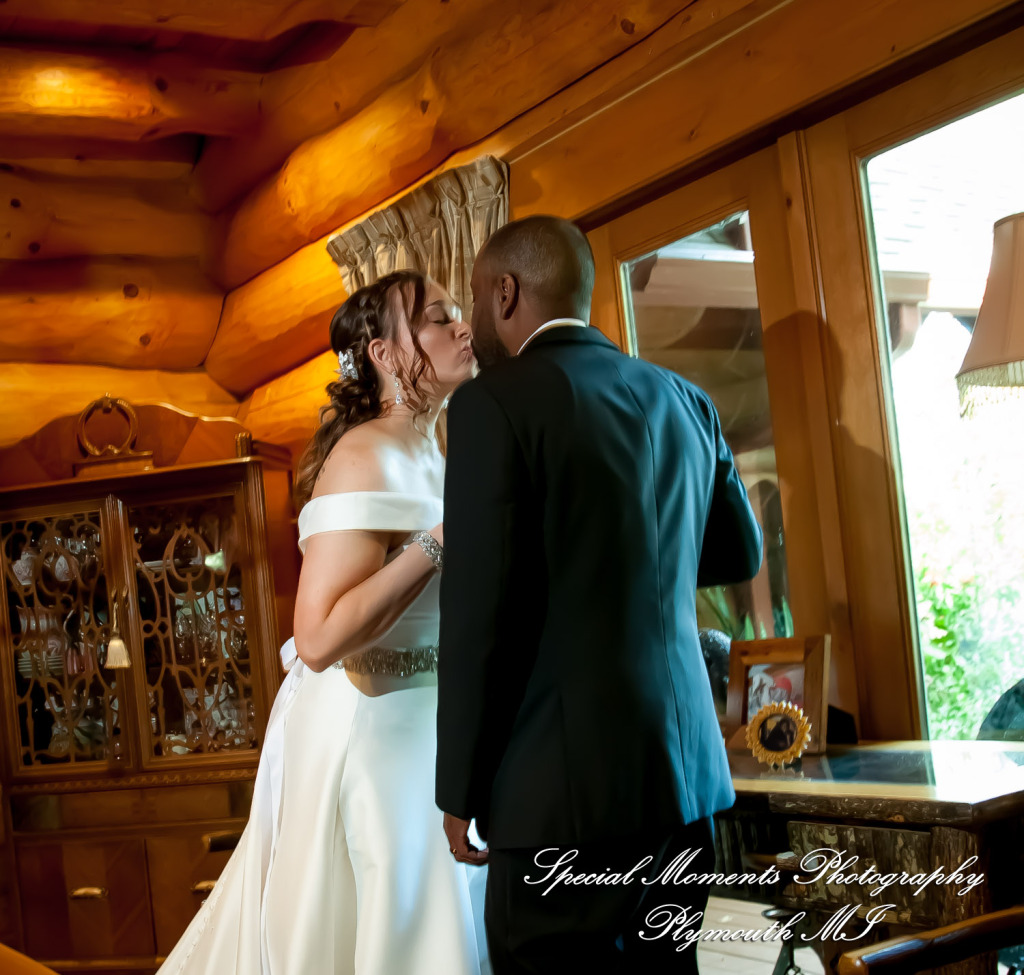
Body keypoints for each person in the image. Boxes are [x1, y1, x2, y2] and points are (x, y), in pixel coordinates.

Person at [435, 215, 763, 974]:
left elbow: (480, 617)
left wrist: (460, 787)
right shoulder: (687, 399)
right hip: (684, 790)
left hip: (557, 801)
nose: (476, 320)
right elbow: (737, 551)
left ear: (505, 292)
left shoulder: (492, 404)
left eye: (479, 297)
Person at [158, 270, 488, 975]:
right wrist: (437, 541)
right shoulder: (363, 455)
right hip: (377, 732)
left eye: (458, 315)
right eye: (438, 318)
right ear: (386, 354)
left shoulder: (435, 450)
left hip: (436, 726)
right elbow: (316, 639)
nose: (462, 328)